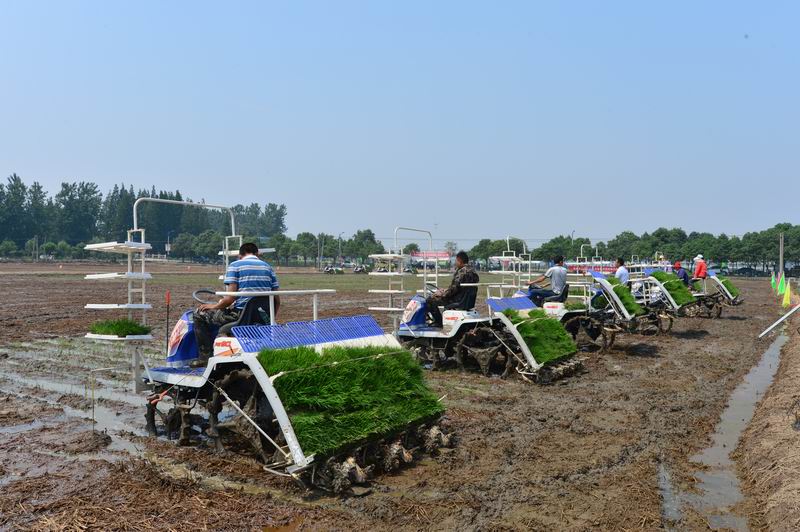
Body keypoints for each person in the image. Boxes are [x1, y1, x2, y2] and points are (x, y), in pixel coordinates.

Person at [192, 242, 279, 367]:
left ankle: (205, 357)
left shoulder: (235, 266)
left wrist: (214, 306)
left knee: (198, 315)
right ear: (257, 254)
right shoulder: (268, 268)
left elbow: (230, 299)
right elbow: (277, 300)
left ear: (240, 255)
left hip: (241, 316)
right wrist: (270, 318)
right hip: (262, 316)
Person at [426, 251, 479, 327]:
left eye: (456, 261)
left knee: (430, 300)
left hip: (457, 300)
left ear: (459, 260)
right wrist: (445, 290)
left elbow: (454, 289)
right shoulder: (473, 272)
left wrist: (442, 294)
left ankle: (438, 322)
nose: (455, 263)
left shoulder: (462, 272)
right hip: (466, 300)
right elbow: (460, 288)